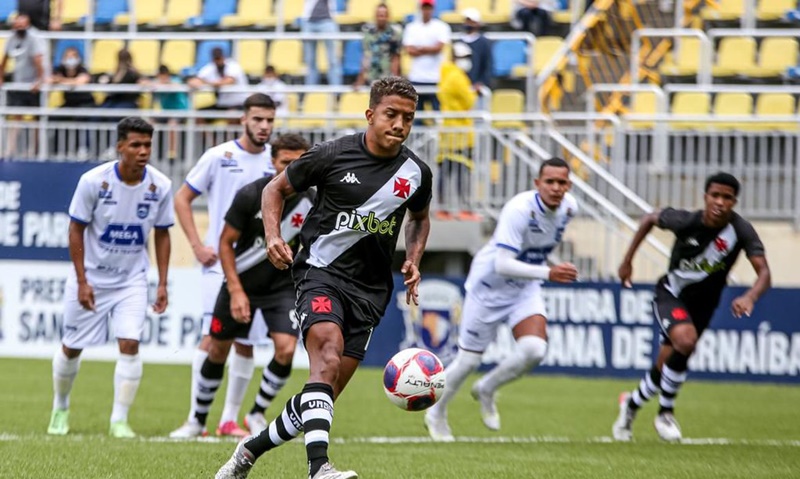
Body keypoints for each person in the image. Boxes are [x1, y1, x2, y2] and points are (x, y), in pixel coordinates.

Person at [216, 76, 433, 479]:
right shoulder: (332, 154)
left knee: (322, 394)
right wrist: (273, 236)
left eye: (408, 117)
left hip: (371, 292)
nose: (400, 124)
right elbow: (274, 190)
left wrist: (414, 258)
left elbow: (419, 218)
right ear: (370, 114)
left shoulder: (416, 173)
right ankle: (320, 468)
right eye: (391, 114)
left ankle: (248, 451)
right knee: (327, 358)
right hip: (320, 273)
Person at [424, 158, 579, 441]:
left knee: (534, 349)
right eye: (550, 182)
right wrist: (549, 272)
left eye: (562, 182)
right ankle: (436, 412)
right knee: (468, 361)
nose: (556, 188)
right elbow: (502, 264)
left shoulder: (570, 208)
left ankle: (487, 388)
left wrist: (543, 272)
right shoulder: (519, 210)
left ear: (569, 185)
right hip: (489, 288)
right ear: (537, 183)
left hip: (524, 288)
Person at [171, 134, 312, 439]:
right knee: (217, 349)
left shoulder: (312, 200)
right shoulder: (251, 194)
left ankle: (256, 413)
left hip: (282, 288)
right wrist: (235, 291)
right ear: (272, 162)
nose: (292, 169)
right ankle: (197, 420)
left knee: (286, 349)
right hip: (241, 283)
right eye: (285, 162)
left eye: (299, 162)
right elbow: (225, 243)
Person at [612, 172, 771, 442]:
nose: (720, 202)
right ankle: (665, 413)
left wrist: (750, 297)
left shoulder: (740, 230)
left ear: (734, 202)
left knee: (665, 365)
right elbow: (649, 218)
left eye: (727, 198)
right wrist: (627, 261)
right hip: (672, 294)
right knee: (686, 341)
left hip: (704, 305)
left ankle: (631, 405)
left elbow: (764, 273)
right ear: (705, 197)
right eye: (715, 195)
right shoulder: (685, 221)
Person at [46, 117, 174, 438]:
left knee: (130, 342)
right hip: (92, 277)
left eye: (147, 145)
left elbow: (162, 233)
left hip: (132, 279)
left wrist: (162, 282)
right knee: (72, 347)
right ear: (120, 147)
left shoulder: (160, 185)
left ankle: (119, 420)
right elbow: (75, 229)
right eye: (136, 145)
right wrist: (82, 281)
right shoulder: (93, 182)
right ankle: (60, 407)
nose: (143, 151)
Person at [171, 93, 277, 438]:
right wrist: (196, 245)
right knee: (212, 337)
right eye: (257, 119)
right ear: (243, 119)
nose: (264, 126)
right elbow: (183, 198)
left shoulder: (276, 162)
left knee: (246, 342)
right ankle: (195, 419)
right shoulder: (219, 156)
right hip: (220, 263)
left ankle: (229, 419)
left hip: (259, 266)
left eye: (269, 120)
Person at [435, 42, 477, 221]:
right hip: (460, 132)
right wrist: (474, 92)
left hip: (448, 130)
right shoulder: (457, 77)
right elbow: (469, 101)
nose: (467, 61)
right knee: (461, 171)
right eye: (464, 57)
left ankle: (443, 208)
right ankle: (463, 209)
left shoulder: (445, 74)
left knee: (446, 170)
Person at [0, 14, 45, 157]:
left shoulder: (33, 39)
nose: (19, 27)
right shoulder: (12, 39)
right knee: (16, 116)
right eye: (17, 25)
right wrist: (1, 77)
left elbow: (38, 61)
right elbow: (4, 59)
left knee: (36, 118)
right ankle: (10, 150)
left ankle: (34, 151)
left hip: (32, 85)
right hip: (18, 83)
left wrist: (39, 80)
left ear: (27, 25)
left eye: (22, 25)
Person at [402, 0, 451, 116]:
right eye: (425, 8)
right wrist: (429, 49)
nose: (427, 11)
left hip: (436, 78)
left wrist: (419, 49)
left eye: (429, 8)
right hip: (416, 77)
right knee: (416, 115)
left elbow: (438, 48)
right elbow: (409, 50)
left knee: (437, 114)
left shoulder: (441, 27)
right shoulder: (411, 27)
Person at [50, 46, 95, 159]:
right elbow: (50, 79)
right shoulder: (60, 69)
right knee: (54, 117)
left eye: (73, 56)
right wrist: (65, 81)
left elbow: (81, 81)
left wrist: (62, 80)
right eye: (67, 57)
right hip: (69, 103)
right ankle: (59, 150)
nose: (70, 59)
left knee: (80, 117)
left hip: (86, 103)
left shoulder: (82, 70)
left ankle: (82, 149)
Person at [353, 3, 402, 89]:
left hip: (388, 78)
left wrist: (395, 80)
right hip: (372, 77)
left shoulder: (394, 34)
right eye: (379, 15)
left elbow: (395, 57)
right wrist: (361, 78)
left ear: (388, 16)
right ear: (375, 16)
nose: (381, 18)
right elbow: (366, 56)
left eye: (383, 15)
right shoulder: (369, 33)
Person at [187, 47, 249, 114]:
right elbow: (195, 81)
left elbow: (228, 81)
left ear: (224, 57)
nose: (218, 61)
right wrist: (195, 82)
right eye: (216, 58)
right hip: (222, 103)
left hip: (240, 102)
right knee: (199, 115)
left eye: (219, 58)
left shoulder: (233, 65)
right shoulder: (210, 67)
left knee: (232, 113)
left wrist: (207, 83)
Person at [152, 65, 189, 163]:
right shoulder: (156, 82)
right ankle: (151, 150)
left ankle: (172, 153)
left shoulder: (175, 80)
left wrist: (166, 84)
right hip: (166, 112)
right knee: (150, 123)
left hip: (180, 111)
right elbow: (144, 83)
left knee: (172, 124)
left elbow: (177, 85)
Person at [301, 0, 342, 86]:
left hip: (328, 20)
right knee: (310, 60)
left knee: (333, 59)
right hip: (308, 21)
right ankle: (310, 89)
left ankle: (336, 90)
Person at [459, 8, 493, 108]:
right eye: (467, 21)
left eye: (471, 21)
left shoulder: (483, 42)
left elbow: (488, 64)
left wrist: (481, 82)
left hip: (477, 87)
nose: (468, 24)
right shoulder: (459, 40)